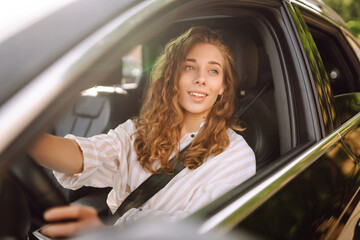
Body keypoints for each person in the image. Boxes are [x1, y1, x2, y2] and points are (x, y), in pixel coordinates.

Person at [28, 26, 256, 238]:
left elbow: (189, 232)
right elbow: (86, 155)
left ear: (224, 86)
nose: (201, 79)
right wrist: (24, 140)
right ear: (173, 77)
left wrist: (105, 233)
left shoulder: (236, 157)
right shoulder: (140, 130)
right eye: (190, 67)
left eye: (213, 71)